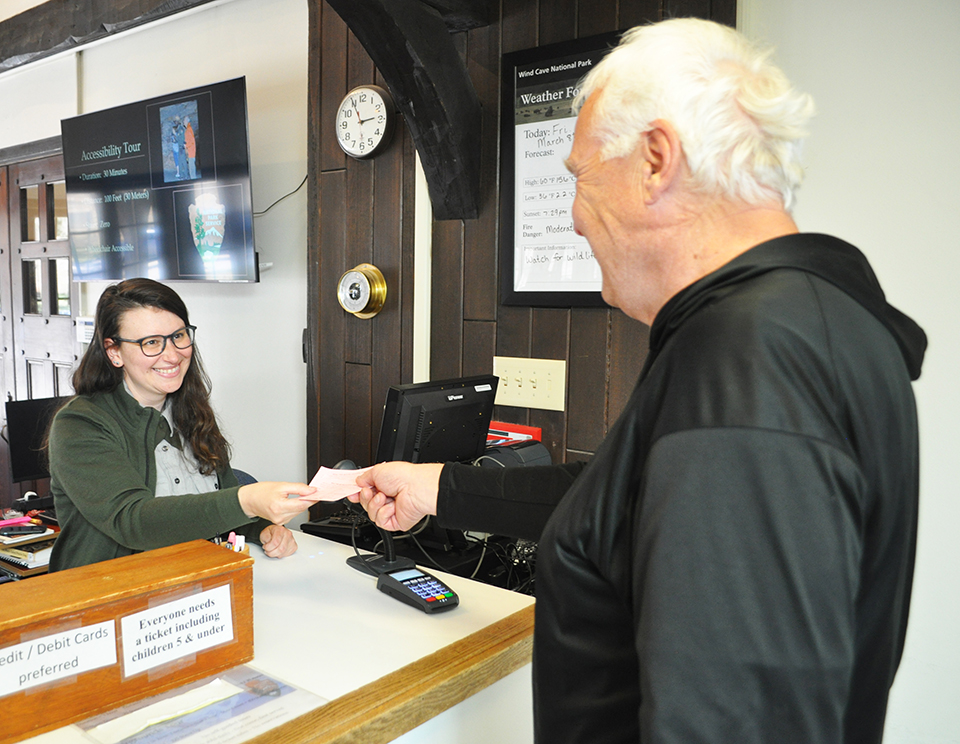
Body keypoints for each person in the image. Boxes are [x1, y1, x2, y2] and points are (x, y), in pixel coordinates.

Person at [350, 18, 926, 744]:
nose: (574, 217)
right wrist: (438, 486)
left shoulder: (750, 358)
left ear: (656, 159)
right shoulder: (814, 324)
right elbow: (629, 507)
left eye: (581, 178)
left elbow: (733, 717)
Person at [47, 278, 316, 572]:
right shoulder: (80, 424)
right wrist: (248, 500)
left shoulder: (190, 409)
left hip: (197, 589)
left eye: (178, 336)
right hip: (109, 598)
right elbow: (133, 521)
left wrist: (261, 528)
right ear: (113, 351)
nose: (173, 355)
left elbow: (217, 505)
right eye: (151, 343)